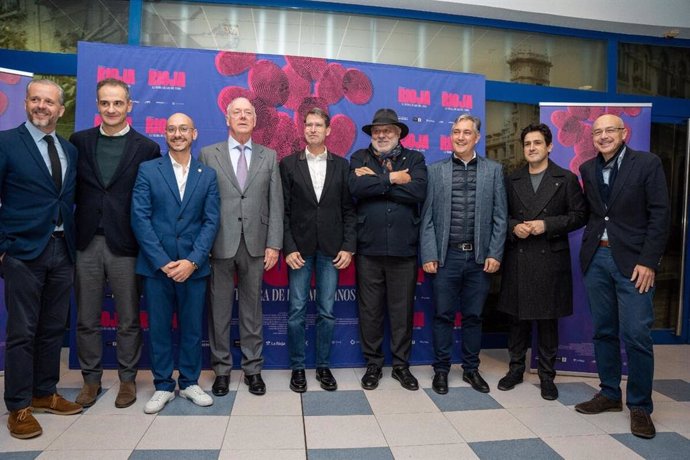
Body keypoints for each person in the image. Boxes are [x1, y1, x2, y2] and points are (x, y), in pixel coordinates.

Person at [574, 114, 670, 439]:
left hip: (634, 263)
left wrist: (649, 261)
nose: (603, 136)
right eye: (598, 132)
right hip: (596, 259)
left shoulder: (647, 163)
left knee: (637, 335)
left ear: (624, 132)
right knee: (603, 331)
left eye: (610, 130)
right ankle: (610, 394)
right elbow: (595, 212)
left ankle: (640, 406)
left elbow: (660, 213)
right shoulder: (587, 169)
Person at [70, 78, 161, 409]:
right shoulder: (78, 142)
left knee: (128, 318)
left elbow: (152, 200)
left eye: (117, 103)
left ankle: (127, 380)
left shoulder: (147, 148)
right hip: (86, 243)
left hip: (126, 245)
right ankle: (91, 381)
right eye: (105, 103)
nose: (111, 109)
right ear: (97, 105)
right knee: (87, 318)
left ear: (129, 106)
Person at [1, 79, 82, 439]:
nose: (42, 106)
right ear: (27, 103)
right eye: (36, 99)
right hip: (22, 251)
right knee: (22, 332)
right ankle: (18, 407)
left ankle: (45, 392)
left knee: (52, 328)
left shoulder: (68, 149)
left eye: (49, 102)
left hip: (62, 249)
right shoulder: (6, 143)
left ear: (60, 110)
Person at [131, 113, 219, 414]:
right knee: (158, 328)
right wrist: (164, 262)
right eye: (171, 129)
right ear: (164, 134)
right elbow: (140, 218)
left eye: (183, 129)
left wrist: (192, 262)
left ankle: (191, 382)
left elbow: (211, 221)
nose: (177, 134)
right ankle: (164, 385)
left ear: (194, 134)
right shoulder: (148, 170)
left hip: (193, 268)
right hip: (157, 268)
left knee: (192, 328)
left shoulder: (206, 174)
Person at [199, 97, 283, 397]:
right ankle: (221, 371)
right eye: (237, 112)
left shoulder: (269, 156)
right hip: (218, 244)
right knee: (219, 311)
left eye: (249, 113)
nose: (243, 116)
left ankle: (253, 370)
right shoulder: (208, 155)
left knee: (252, 311)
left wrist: (274, 243)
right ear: (227, 118)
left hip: (256, 245)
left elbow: (276, 203)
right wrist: (202, 244)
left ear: (256, 120)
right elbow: (201, 203)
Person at [496, 123, 586, 400]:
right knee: (517, 321)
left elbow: (580, 215)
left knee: (547, 323)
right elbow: (501, 215)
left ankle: (547, 376)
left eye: (537, 143)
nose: (532, 148)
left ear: (549, 146)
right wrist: (514, 227)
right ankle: (515, 369)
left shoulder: (566, 178)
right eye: (527, 144)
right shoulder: (512, 179)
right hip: (519, 258)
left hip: (550, 260)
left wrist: (546, 225)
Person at [420, 113, 507, 395]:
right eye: (456, 132)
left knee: (473, 317)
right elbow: (427, 218)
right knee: (443, 316)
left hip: (479, 259)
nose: (460, 137)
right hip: (447, 258)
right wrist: (430, 253)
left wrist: (495, 252)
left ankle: (471, 370)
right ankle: (441, 371)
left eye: (466, 132)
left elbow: (500, 217)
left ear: (477, 137)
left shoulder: (493, 170)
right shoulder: (435, 171)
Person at [348, 108, 427, 391]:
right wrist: (394, 179)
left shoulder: (415, 159)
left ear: (398, 134)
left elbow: (418, 192)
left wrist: (376, 181)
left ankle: (401, 366)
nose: (381, 135)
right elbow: (356, 187)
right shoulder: (359, 158)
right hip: (368, 249)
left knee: (402, 310)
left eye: (387, 131)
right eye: (377, 131)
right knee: (370, 311)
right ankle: (373, 364)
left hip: (404, 251)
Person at [280, 108, 356, 392]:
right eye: (308, 124)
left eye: (318, 125)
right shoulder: (288, 164)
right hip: (299, 250)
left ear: (328, 131)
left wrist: (348, 247)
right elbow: (283, 211)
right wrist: (288, 247)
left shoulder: (342, 165)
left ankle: (323, 367)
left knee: (327, 312)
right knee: (296, 311)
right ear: (303, 129)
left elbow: (349, 210)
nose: (312, 129)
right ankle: (298, 368)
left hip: (331, 250)